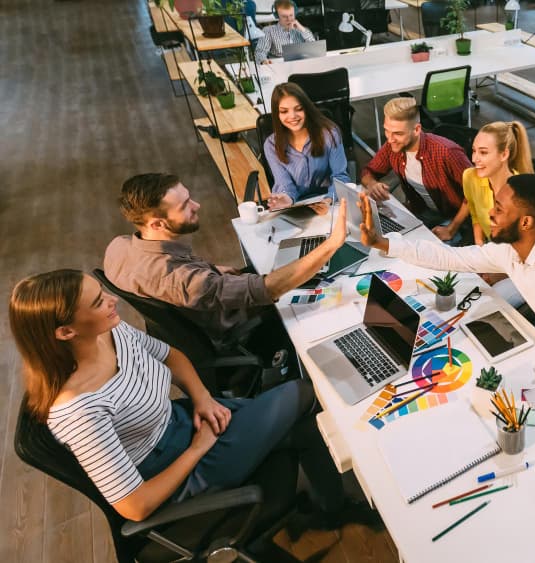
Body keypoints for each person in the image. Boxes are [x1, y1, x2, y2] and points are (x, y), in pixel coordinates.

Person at [8, 269, 344, 523]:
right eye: (98, 301)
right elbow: (135, 506)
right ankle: (334, 508)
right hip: (178, 470)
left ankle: (331, 509)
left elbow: (172, 356)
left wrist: (203, 398)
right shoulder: (79, 411)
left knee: (300, 426)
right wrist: (198, 449)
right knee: (302, 391)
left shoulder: (109, 333)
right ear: (66, 332)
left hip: (185, 421)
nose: (112, 300)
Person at [357, 174, 535, 392]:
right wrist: (382, 242)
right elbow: (450, 258)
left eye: (499, 208)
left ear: (525, 223)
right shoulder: (510, 250)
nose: (490, 214)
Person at [104, 173, 348, 345]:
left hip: (206, 304)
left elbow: (173, 280)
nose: (197, 206)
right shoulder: (182, 281)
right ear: (157, 223)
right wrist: (330, 245)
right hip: (242, 325)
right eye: (185, 206)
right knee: (336, 292)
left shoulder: (118, 247)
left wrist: (210, 269)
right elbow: (265, 289)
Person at [360, 97, 472, 243]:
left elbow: (476, 192)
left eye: (398, 133)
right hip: (422, 211)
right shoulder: (393, 146)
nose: (390, 139)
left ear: (417, 129)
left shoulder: (447, 152)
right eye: (387, 131)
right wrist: (372, 184)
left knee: (433, 255)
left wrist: (451, 228)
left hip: (455, 218)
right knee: (377, 233)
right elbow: (368, 172)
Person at [264, 83, 350, 214]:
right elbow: (284, 183)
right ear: (277, 114)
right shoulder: (271, 145)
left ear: (306, 109)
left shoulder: (329, 134)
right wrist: (287, 198)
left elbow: (340, 176)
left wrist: (328, 200)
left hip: (326, 201)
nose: (292, 116)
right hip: (292, 205)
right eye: (284, 111)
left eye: (298, 109)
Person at [464, 121, 533, 245]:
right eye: (474, 151)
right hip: (490, 252)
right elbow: (475, 215)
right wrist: (479, 245)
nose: (474, 159)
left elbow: (526, 242)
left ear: (504, 154)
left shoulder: (523, 192)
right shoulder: (470, 177)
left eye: (483, 152)